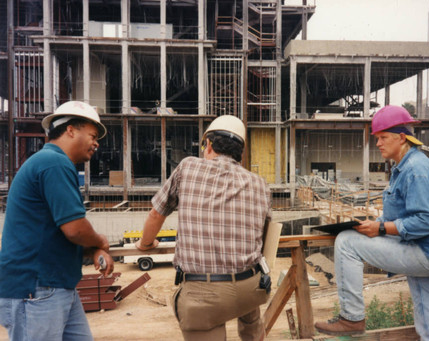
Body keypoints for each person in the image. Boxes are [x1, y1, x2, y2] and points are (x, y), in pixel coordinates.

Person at [315, 105, 429, 340]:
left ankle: (351, 318)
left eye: (383, 137)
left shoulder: (415, 169)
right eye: (377, 138)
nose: (378, 143)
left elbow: (427, 221)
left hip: (426, 252)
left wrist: (381, 228)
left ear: (402, 137)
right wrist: (377, 222)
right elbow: (403, 214)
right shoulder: (405, 168)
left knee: (346, 242)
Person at [135, 115, 272, 341]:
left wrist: (146, 243)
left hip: (204, 296)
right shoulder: (260, 184)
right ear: (241, 153)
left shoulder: (188, 167)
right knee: (249, 311)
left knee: (207, 321)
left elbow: (156, 214)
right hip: (250, 288)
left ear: (207, 145)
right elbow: (264, 234)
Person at [0, 101, 114, 341]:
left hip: (54, 286)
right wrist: (100, 241)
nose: (97, 143)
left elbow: (56, 233)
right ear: (70, 129)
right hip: (36, 288)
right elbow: (74, 229)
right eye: (93, 135)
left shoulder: (52, 163)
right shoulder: (54, 163)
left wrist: (92, 249)